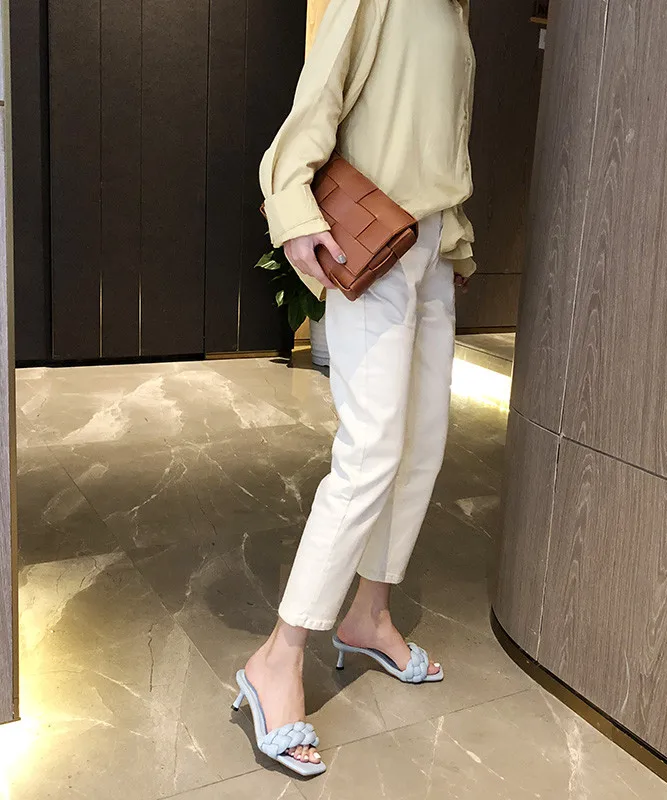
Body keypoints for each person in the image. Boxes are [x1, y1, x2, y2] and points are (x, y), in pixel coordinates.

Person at [232, 0, 476, 776]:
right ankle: (277, 657)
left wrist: (454, 242)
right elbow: (319, 95)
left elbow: (440, 139)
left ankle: (369, 615)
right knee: (370, 451)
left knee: (421, 447)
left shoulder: (456, 11)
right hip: (370, 241)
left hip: (429, 248)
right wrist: (292, 207)